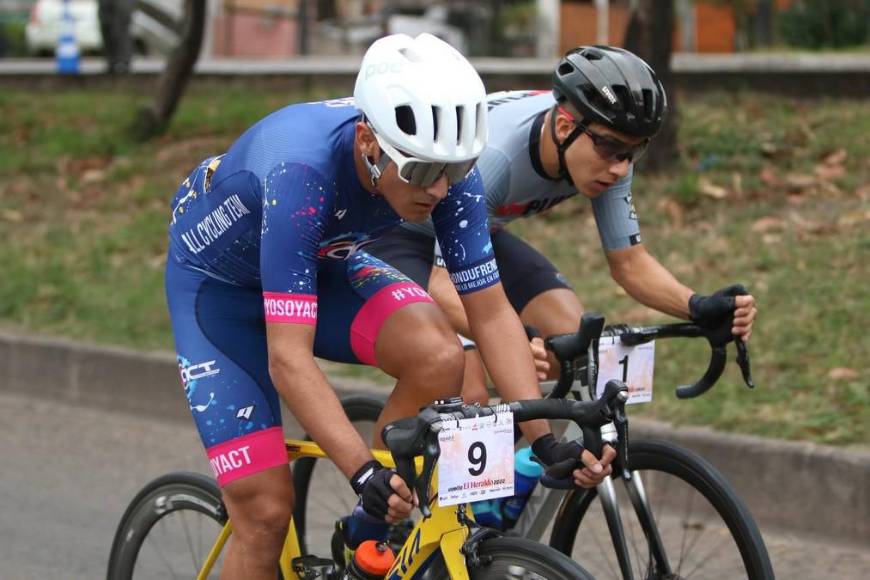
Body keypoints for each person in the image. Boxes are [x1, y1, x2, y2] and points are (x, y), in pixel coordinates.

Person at [164, 34, 613, 580]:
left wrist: (544, 443)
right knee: (264, 514)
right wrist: (358, 471)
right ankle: (365, 498)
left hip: (326, 260)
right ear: (367, 142)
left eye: (459, 167)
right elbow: (289, 359)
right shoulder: (300, 173)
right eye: (424, 171)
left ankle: (365, 534)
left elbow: (490, 312)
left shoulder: (447, 174)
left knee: (440, 354)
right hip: (221, 293)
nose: (442, 190)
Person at [366, 45, 758, 402]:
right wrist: (515, 339)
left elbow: (630, 262)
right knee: (472, 387)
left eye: (634, 151)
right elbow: (442, 282)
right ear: (567, 128)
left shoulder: (605, 159)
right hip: (398, 236)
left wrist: (697, 306)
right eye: (611, 148)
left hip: (472, 238)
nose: (620, 167)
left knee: (574, 347)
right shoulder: (496, 160)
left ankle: (527, 469)